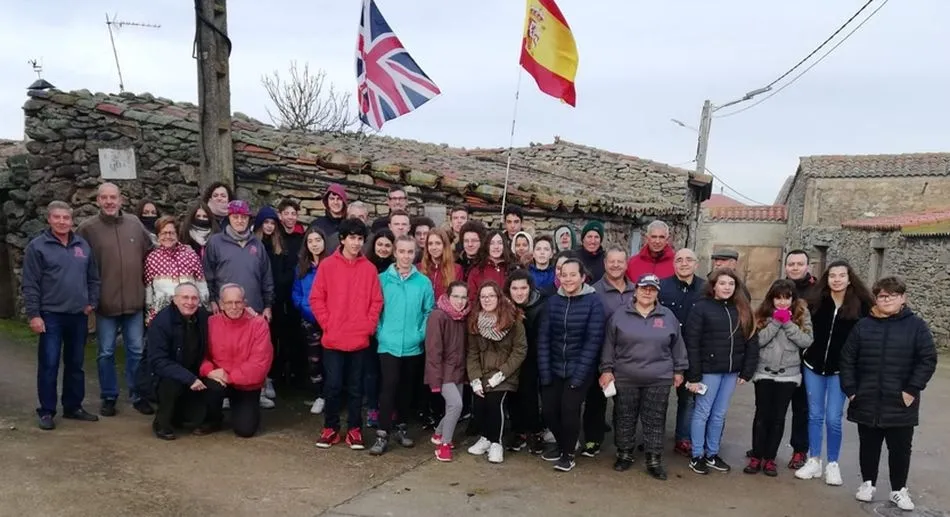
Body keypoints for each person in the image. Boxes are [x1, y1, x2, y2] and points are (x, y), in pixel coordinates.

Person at [841, 276, 938, 512]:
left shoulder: (916, 326)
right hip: (867, 399)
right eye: (882, 295)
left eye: (892, 295)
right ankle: (868, 483)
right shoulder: (864, 326)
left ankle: (898, 490)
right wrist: (852, 391)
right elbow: (847, 359)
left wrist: (912, 390)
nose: (886, 300)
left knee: (900, 448)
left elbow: (927, 359)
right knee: (869, 445)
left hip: (901, 400)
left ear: (902, 298)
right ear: (876, 298)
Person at [599, 274, 687, 480]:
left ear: (657, 292)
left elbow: (678, 346)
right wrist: (606, 369)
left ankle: (654, 458)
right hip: (625, 376)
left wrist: (679, 370)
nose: (647, 292)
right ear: (636, 289)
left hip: (659, 377)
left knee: (655, 419)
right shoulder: (620, 315)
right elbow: (609, 345)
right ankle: (624, 453)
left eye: (652, 289)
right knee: (624, 417)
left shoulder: (668, 316)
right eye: (643, 288)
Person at [23, 201, 101, 430]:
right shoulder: (38, 247)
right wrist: (34, 315)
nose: (62, 222)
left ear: (72, 220)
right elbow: (30, 284)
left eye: (66, 218)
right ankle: (46, 411)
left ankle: (73, 406)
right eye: (57, 217)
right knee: (49, 364)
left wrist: (91, 302)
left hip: (77, 314)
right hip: (50, 315)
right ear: (49, 219)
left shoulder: (82, 245)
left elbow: (93, 278)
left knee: (76, 363)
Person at [78, 183, 154, 417]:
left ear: (121, 200)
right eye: (104, 198)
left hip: (133, 301)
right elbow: (79, 263)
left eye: (113, 197)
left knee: (136, 351)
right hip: (105, 304)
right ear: (98, 200)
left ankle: (137, 394)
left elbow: (150, 254)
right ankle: (109, 396)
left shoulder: (134, 224)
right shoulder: (87, 229)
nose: (109, 201)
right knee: (106, 352)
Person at [795, 260, 873, 485]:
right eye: (832, 276)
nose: (837, 279)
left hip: (842, 370)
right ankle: (814, 460)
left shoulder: (862, 305)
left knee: (833, 418)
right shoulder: (815, 302)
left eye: (841, 275)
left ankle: (833, 464)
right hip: (813, 366)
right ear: (826, 279)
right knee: (814, 415)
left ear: (850, 278)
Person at [310, 218, 383, 449]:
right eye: (351, 237)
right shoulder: (327, 266)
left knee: (355, 388)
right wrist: (327, 323)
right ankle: (331, 428)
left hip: (359, 340)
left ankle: (354, 429)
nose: (356, 243)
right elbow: (316, 298)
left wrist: (368, 327)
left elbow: (376, 301)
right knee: (332, 385)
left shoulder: (369, 269)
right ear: (342, 239)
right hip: (333, 339)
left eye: (360, 238)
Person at [684, 268, 758, 475]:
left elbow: (751, 339)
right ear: (714, 286)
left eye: (731, 284)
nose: (727, 287)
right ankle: (697, 454)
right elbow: (692, 342)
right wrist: (694, 375)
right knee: (702, 413)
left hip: (731, 371)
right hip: (709, 371)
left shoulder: (742, 308)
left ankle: (712, 453)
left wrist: (747, 371)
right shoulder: (701, 308)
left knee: (719, 414)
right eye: (723, 283)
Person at [537, 259, 606, 472]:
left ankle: (568, 454)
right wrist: (545, 372)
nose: (568, 279)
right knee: (549, 411)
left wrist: (578, 376)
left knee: (569, 411)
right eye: (564, 275)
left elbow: (593, 341)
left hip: (579, 368)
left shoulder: (593, 302)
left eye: (572, 275)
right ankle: (561, 444)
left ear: (582, 277)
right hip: (554, 366)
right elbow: (544, 338)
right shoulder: (553, 302)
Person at [368, 235, 435, 455]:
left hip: (413, 345)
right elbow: (374, 309)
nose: (406, 256)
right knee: (389, 386)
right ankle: (382, 433)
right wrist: (380, 332)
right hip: (388, 344)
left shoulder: (423, 282)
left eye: (410, 252)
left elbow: (429, 311)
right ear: (394, 253)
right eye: (402, 251)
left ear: (415, 254)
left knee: (406, 388)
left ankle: (402, 427)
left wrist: (420, 334)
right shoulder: (381, 279)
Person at [745, 279, 813, 477]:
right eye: (778, 298)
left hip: (788, 374)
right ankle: (757, 455)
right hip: (764, 372)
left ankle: (770, 458)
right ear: (771, 298)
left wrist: (789, 324)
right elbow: (758, 340)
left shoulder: (802, 314)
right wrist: (776, 322)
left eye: (787, 298)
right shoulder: (762, 314)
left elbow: (806, 340)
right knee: (761, 415)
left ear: (793, 299)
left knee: (778, 417)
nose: (782, 302)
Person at [466, 281, 527, 464]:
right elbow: (472, 353)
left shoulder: (513, 320)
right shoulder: (475, 322)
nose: (487, 300)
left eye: (491, 296)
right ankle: (485, 437)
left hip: (506, 373)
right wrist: (475, 378)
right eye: (483, 296)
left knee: (494, 403)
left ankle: (496, 443)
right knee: (480, 403)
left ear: (498, 297)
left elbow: (520, 350)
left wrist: (501, 374)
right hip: (483, 372)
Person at [201, 284, 274, 438]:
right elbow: (201, 355)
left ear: (245, 302)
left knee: (245, 430)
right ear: (221, 304)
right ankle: (213, 419)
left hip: (246, 383)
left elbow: (259, 364)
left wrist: (231, 377)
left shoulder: (259, 324)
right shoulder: (210, 323)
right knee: (211, 387)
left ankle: (241, 407)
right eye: (228, 303)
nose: (234, 307)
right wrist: (209, 370)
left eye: (238, 302)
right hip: (219, 379)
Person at [147, 283, 214, 440]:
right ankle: (161, 423)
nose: (190, 302)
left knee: (196, 414)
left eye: (194, 298)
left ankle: (186, 415)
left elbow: (226, 317)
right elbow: (158, 361)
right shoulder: (161, 322)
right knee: (171, 383)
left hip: (194, 373)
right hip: (164, 377)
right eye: (185, 297)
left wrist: (250, 314)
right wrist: (189, 378)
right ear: (174, 299)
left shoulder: (203, 317)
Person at [586, 245, 636, 457]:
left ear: (626, 264)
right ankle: (592, 439)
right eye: (611, 261)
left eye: (620, 262)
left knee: (624, 404)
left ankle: (623, 444)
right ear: (605, 264)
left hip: (628, 357)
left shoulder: (637, 290)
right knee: (596, 401)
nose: (615, 265)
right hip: (599, 355)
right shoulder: (593, 291)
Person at [658, 248, 705, 457]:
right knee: (657, 398)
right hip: (663, 352)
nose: (684, 263)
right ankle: (654, 438)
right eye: (679, 260)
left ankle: (683, 439)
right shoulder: (662, 287)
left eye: (688, 260)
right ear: (673, 264)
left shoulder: (706, 289)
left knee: (688, 399)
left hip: (694, 352)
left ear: (696, 264)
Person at [425, 281, 471, 462]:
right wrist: (435, 380)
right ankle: (444, 444)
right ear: (447, 296)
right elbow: (433, 350)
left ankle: (438, 433)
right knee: (456, 405)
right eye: (456, 296)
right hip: (443, 373)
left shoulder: (463, 317)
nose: (460, 301)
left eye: (463, 297)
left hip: (458, 371)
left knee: (455, 408)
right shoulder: (439, 316)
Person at [505, 270, 547, 455]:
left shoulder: (540, 306)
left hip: (533, 356)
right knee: (512, 394)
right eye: (515, 288)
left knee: (529, 395)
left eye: (523, 288)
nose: (519, 292)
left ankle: (534, 431)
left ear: (530, 288)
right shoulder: (505, 307)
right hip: (510, 358)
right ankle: (518, 430)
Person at [782, 249, 816, 469]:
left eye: (799, 264)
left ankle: (799, 450)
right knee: (772, 407)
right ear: (786, 266)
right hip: (780, 358)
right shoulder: (780, 288)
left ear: (807, 266)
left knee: (801, 407)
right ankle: (764, 447)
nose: (795, 267)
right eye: (791, 264)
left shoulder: (817, 290)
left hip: (806, 357)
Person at [253, 205, 291, 403]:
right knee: (259, 342)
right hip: (257, 298)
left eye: (272, 223)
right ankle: (259, 379)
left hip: (277, 300)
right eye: (266, 222)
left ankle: (269, 378)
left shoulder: (279, 244)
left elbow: (286, 270)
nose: (269, 226)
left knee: (274, 341)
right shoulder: (253, 244)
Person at [291, 227, 329, 415]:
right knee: (314, 361)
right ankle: (320, 395)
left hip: (329, 321)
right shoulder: (301, 267)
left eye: (318, 240)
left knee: (330, 360)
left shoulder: (331, 264)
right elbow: (296, 293)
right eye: (311, 241)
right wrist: (303, 307)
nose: (315, 244)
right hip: (309, 320)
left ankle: (332, 395)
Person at [144, 216, 208, 325]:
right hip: (162, 315)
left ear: (177, 235)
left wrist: (203, 309)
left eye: (171, 233)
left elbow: (201, 284)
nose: (167, 236)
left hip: (189, 313)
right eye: (164, 233)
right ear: (158, 236)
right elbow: (148, 290)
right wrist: (149, 315)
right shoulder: (152, 258)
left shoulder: (190, 255)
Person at [467, 230, 515, 303]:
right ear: (486, 246)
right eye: (492, 243)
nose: (496, 247)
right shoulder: (476, 271)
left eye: (500, 243)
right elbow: (471, 299)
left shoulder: (512, 268)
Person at [420, 228, 463, 300]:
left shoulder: (456, 269)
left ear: (444, 245)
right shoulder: (418, 268)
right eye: (430, 244)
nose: (434, 247)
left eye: (438, 243)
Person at [309, 184, 348, 251]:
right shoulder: (317, 225)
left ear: (343, 202)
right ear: (327, 202)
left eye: (339, 199)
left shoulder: (349, 225)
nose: (335, 202)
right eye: (332, 199)